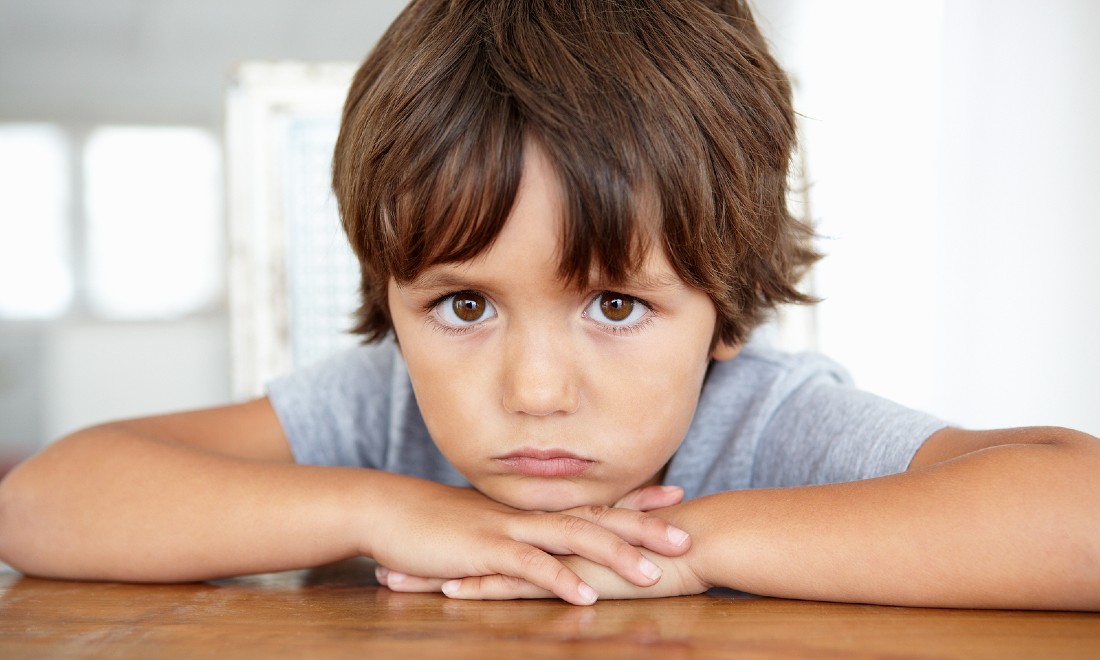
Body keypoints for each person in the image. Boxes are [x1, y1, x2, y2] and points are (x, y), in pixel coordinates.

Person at [1, 0, 1097, 610]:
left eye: (615, 306)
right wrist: (380, 510)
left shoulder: (768, 426)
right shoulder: (380, 418)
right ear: (389, 289)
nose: (531, 391)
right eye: (464, 306)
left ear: (723, 302)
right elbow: (44, 501)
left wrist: (691, 546)